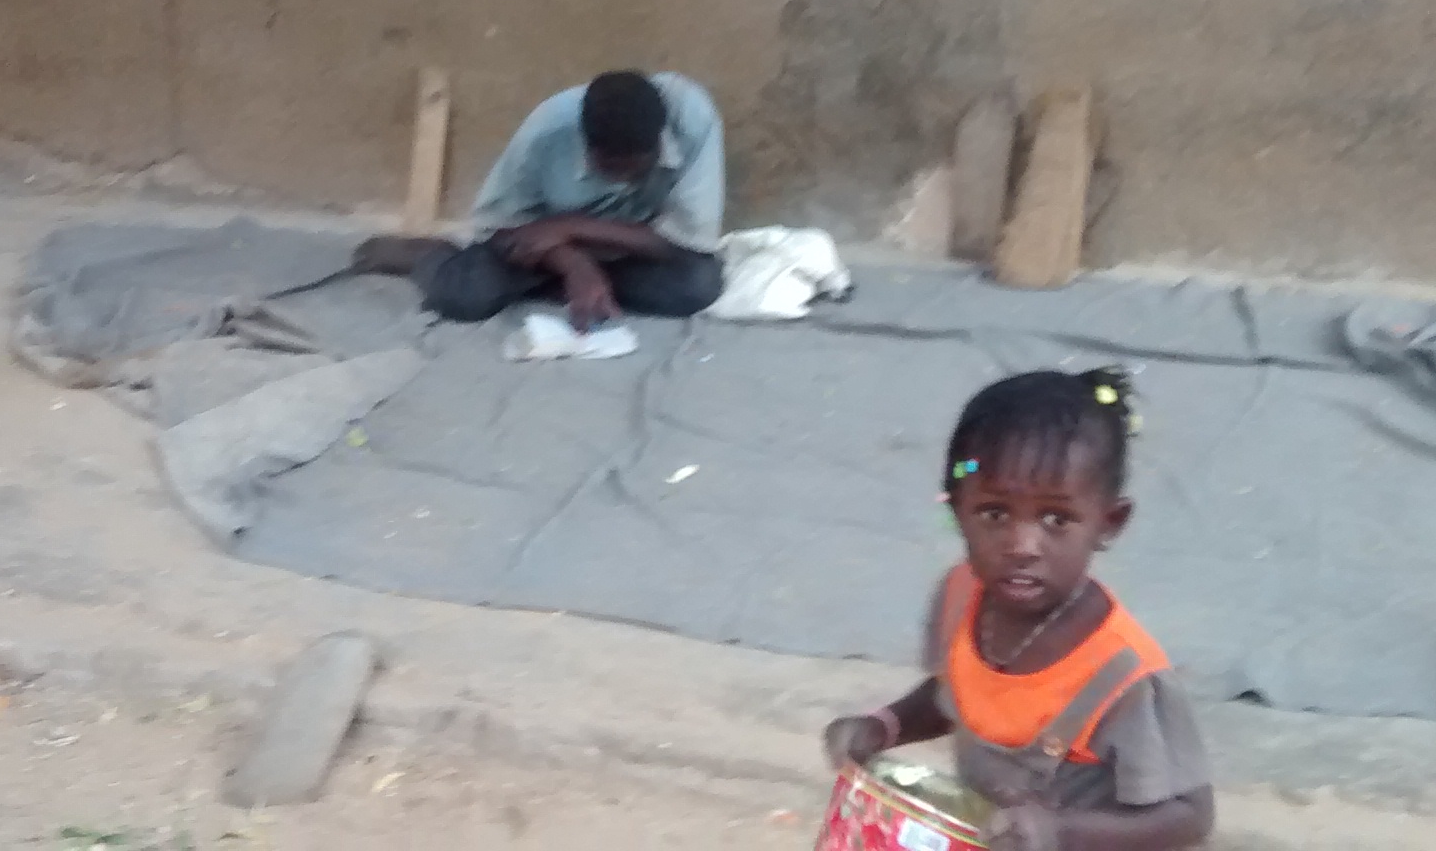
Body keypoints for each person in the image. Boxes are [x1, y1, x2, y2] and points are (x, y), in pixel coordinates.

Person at [822, 369, 1214, 851]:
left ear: (1109, 523)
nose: (1023, 545)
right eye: (994, 513)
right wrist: (886, 725)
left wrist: (1061, 832)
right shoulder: (961, 597)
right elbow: (957, 693)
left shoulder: (1123, 676)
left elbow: (1190, 815)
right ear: (956, 510)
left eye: (1056, 519)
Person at [414, 70, 725, 327]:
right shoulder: (546, 132)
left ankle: (571, 288)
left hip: (633, 248)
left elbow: (686, 242)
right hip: (546, 251)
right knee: (463, 296)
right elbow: (500, 229)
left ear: (658, 142)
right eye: (611, 169)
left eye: (637, 170)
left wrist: (569, 226)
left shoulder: (691, 118)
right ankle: (426, 254)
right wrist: (575, 265)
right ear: (586, 145)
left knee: (698, 285)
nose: (624, 180)